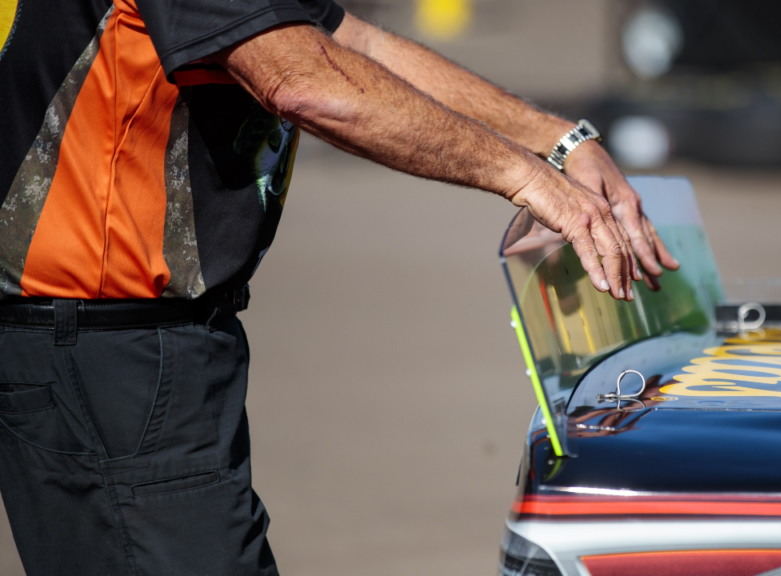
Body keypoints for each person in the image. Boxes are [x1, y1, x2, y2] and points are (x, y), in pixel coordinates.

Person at [0, 0, 678, 573]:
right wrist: (530, 179)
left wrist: (557, 141)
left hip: (156, 346)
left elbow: (347, 42)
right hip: (101, 353)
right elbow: (303, 79)